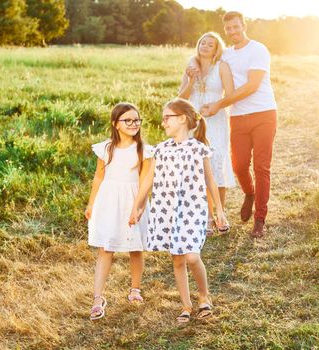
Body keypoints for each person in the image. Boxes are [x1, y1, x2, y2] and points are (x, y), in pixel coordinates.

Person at [129, 98, 228, 323]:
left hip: (192, 209)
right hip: (166, 209)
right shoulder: (161, 149)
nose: (163, 123)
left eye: (167, 118)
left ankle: (204, 295)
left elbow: (210, 181)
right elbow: (148, 181)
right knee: (177, 260)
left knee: (192, 256)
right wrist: (137, 206)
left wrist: (219, 211)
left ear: (182, 119)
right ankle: (186, 304)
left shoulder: (198, 148)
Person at [200, 11, 278, 238]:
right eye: (228, 29)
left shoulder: (258, 50)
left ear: (244, 25)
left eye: (236, 27)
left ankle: (260, 219)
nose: (232, 32)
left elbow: (252, 86)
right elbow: (209, 66)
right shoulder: (226, 55)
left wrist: (220, 103)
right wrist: (193, 69)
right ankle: (249, 193)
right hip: (238, 117)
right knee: (239, 165)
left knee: (261, 167)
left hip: (264, 113)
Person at [85, 102, 153, 320]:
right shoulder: (106, 148)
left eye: (136, 120)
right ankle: (97, 297)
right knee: (106, 248)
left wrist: (138, 207)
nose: (134, 124)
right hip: (109, 202)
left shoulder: (144, 149)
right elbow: (99, 176)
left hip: (133, 201)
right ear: (116, 124)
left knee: (135, 247)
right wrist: (91, 203)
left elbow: (145, 183)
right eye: (128, 120)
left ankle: (135, 289)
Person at [178, 31, 236, 236]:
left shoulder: (222, 67)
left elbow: (230, 96)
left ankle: (220, 214)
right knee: (197, 166)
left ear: (216, 49)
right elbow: (180, 98)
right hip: (194, 121)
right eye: (202, 42)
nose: (205, 45)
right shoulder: (191, 66)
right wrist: (191, 80)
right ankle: (205, 217)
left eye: (210, 44)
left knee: (216, 162)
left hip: (216, 119)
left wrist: (215, 106)